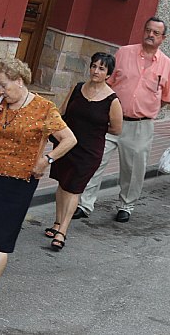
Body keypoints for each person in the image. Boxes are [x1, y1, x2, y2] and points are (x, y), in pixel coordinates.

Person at [0, 59, 76, 320]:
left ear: (19, 81)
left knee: (2, 238)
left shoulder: (44, 108)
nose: (1, 90)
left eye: (4, 85)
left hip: (20, 180)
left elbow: (69, 139)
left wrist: (47, 159)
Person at [72, 17, 170, 223]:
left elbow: (166, 98)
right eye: (148, 30)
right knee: (96, 161)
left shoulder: (167, 65)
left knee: (134, 170)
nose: (151, 35)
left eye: (156, 33)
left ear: (163, 38)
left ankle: (126, 205)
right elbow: (108, 82)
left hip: (140, 126)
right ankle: (85, 204)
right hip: (110, 121)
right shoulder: (124, 53)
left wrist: (145, 110)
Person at [45, 53, 123, 250]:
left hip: (89, 151)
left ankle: (62, 231)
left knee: (74, 188)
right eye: (94, 66)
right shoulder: (78, 88)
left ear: (108, 74)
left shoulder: (112, 100)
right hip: (66, 145)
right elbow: (62, 112)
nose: (96, 71)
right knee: (63, 184)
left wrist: (93, 130)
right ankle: (57, 222)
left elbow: (116, 128)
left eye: (102, 68)